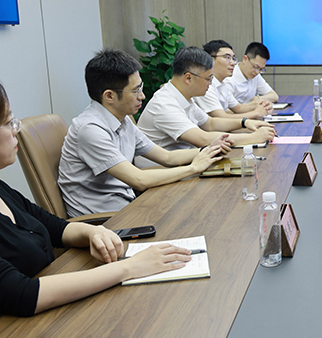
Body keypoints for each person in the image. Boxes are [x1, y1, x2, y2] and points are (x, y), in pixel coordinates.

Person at [0, 71, 196, 327]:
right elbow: (20, 293)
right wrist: (129, 268)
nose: (15, 130)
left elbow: (56, 228)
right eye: (8, 123)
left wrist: (92, 233)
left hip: (49, 315)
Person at [58, 49, 223, 217]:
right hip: (103, 221)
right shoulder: (90, 129)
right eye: (135, 90)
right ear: (109, 96)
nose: (142, 96)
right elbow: (139, 180)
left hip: (128, 206)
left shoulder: (124, 120)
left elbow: (167, 157)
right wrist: (194, 168)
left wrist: (210, 149)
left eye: (141, 88)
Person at [137, 46, 275, 160]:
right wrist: (253, 137)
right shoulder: (165, 104)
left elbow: (210, 123)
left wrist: (245, 122)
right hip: (162, 171)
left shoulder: (184, 96)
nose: (210, 83)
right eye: (209, 79)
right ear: (188, 78)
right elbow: (203, 138)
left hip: (187, 161)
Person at [193, 39, 272, 120]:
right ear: (211, 59)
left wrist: (261, 104)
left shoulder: (222, 84)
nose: (233, 63)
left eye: (233, 58)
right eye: (227, 57)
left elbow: (239, 108)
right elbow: (222, 118)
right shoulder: (205, 85)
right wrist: (257, 113)